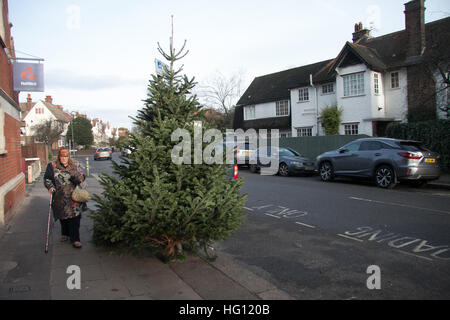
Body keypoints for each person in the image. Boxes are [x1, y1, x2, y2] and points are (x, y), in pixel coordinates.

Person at [44, 148, 86, 248]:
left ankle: (75, 239)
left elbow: (83, 175)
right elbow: (47, 179)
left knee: (75, 218)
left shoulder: (75, 165)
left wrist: (78, 179)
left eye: (66, 156)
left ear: (68, 157)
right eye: (62, 156)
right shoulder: (52, 166)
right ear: (59, 157)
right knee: (63, 217)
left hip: (74, 197)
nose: (64, 158)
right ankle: (65, 233)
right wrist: (50, 187)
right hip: (60, 197)